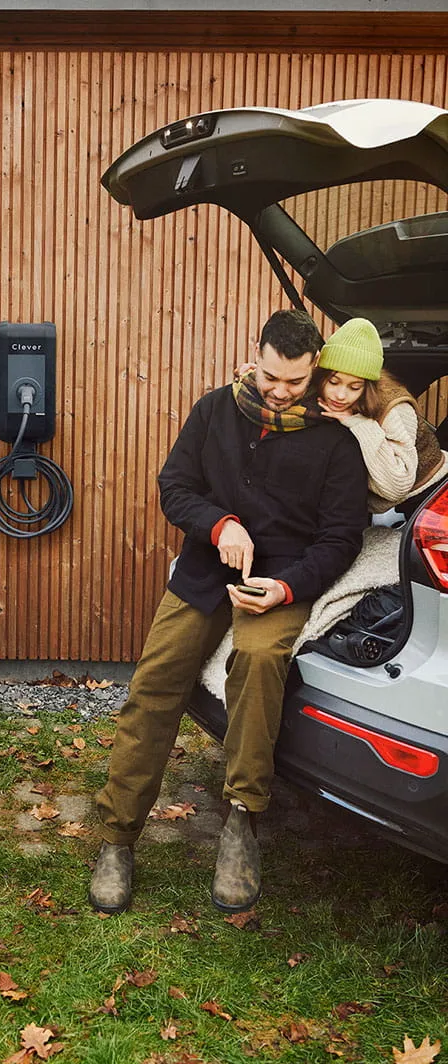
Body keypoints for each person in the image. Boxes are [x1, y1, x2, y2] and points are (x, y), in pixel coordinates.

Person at [89, 309, 368, 916]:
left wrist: (287, 588)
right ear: (256, 355)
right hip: (204, 570)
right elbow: (175, 486)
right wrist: (219, 524)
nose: (280, 390)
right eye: (272, 376)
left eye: (295, 382)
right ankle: (117, 837)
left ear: (314, 369)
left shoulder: (337, 442)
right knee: (154, 684)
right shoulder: (214, 409)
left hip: (280, 582)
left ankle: (242, 822)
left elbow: (341, 538)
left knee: (261, 664)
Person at [316, 317, 448, 519]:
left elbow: (397, 485)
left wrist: (358, 423)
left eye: (354, 387)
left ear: (368, 386)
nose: (340, 395)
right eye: (334, 382)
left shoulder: (394, 407)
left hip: (432, 492)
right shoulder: (319, 395)